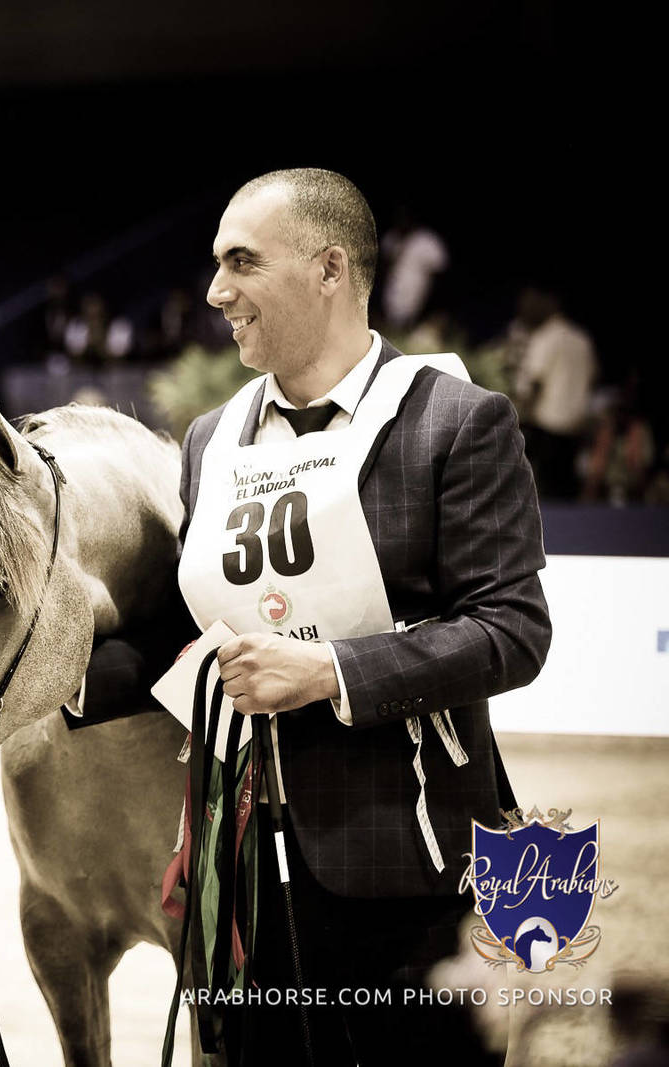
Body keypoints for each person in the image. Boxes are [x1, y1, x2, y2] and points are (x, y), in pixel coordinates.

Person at [177, 169, 551, 1065]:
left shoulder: (456, 421)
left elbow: (512, 629)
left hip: (415, 864)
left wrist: (328, 672)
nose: (215, 290)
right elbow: (185, 633)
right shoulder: (207, 440)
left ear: (329, 268)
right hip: (247, 874)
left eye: (241, 262)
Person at [512, 285, 597, 499]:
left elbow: (533, 382)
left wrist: (516, 416)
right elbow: (594, 376)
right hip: (577, 428)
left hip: (547, 430)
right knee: (568, 493)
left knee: (546, 497)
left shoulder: (546, 337)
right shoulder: (582, 338)